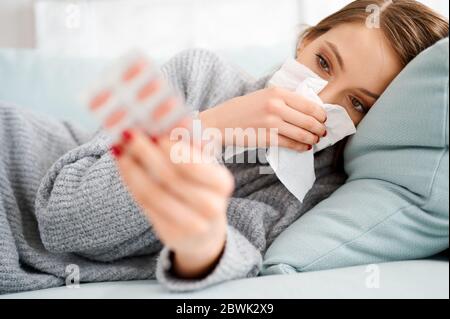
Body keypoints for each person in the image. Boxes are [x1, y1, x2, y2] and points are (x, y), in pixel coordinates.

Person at [0, 0, 447, 294]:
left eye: (356, 104)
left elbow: (236, 264)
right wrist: (212, 129)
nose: (319, 100)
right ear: (305, 41)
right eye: (323, 62)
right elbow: (64, 220)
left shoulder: (319, 199)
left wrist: (201, 244)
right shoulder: (199, 77)